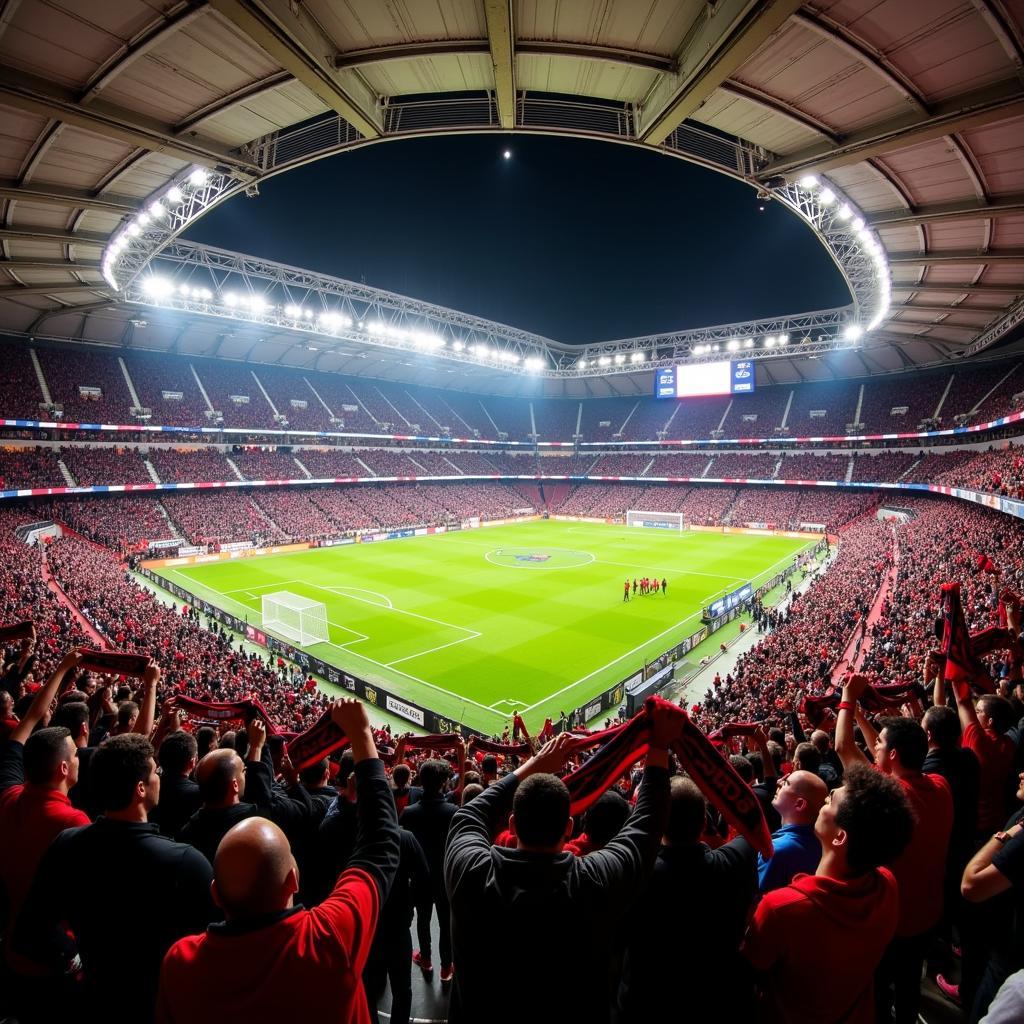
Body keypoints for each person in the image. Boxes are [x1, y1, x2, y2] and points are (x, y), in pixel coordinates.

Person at [157, 699, 400, 1024]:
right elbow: (380, 844)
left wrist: (361, 736)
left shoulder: (179, 963)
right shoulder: (328, 938)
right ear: (293, 881)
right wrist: (361, 733)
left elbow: (380, 844)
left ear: (216, 893)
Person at [444, 708, 674, 1024]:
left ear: (512, 824)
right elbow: (646, 827)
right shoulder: (595, 882)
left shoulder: (470, 872)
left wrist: (536, 764)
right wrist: (659, 748)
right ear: (569, 828)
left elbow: (468, 815)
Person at [17, 733, 215, 1024]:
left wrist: (76, 964)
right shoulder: (187, 862)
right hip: (157, 1007)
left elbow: (29, 932)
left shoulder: (68, 844)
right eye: (155, 772)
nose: (159, 776)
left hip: (91, 1002)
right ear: (140, 789)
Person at [742, 763, 914, 1024]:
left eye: (829, 801)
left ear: (839, 837)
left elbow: (747, 973)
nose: (823, 799)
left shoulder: (781, 908)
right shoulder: (888, 886)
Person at [836, 675, 953, 1024]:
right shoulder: (939, 784)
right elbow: (882, 756)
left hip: (894, 921)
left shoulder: (890, 796)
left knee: (879, 987)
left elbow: (844, 749)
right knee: (908, 987)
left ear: (895, 754)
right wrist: (862, 718)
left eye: (881, 744)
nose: (876, 747)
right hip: (929, 911)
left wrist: (847, 699)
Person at [617, 775, 757, 1023]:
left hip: (646, 1006)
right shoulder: (737, 860)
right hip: (714, 1003)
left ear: (656, 825)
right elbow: (749, 817)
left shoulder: (633, 878)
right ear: (705, 821)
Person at [0, 651, 91, 1004]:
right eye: (74, 755)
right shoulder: (73, 824)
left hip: (12, 945)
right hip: (52, 963)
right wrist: (66, 666)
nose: (78, 757)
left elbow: (33, 717)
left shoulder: (7, 795)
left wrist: (65, 668)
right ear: (64, 770)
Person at [960, 770, 1024, 1021]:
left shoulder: (1021, 834)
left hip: (1009, 957)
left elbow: (971, 886)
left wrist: (1004, 836)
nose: (1020, 773)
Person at [400, 758, 458, 982]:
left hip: (419, 878)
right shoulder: (453, 812)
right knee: (445, 922)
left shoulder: (410, 813)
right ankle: (446, 966)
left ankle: (426, 959)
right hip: (444, 878)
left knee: (423, 920)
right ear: (444, 782)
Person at [757, 770, 827, 892]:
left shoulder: (776, 851)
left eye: (786, 783)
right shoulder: (823, 844)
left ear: (799, 804)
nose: (779, 784)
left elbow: (763, 904)